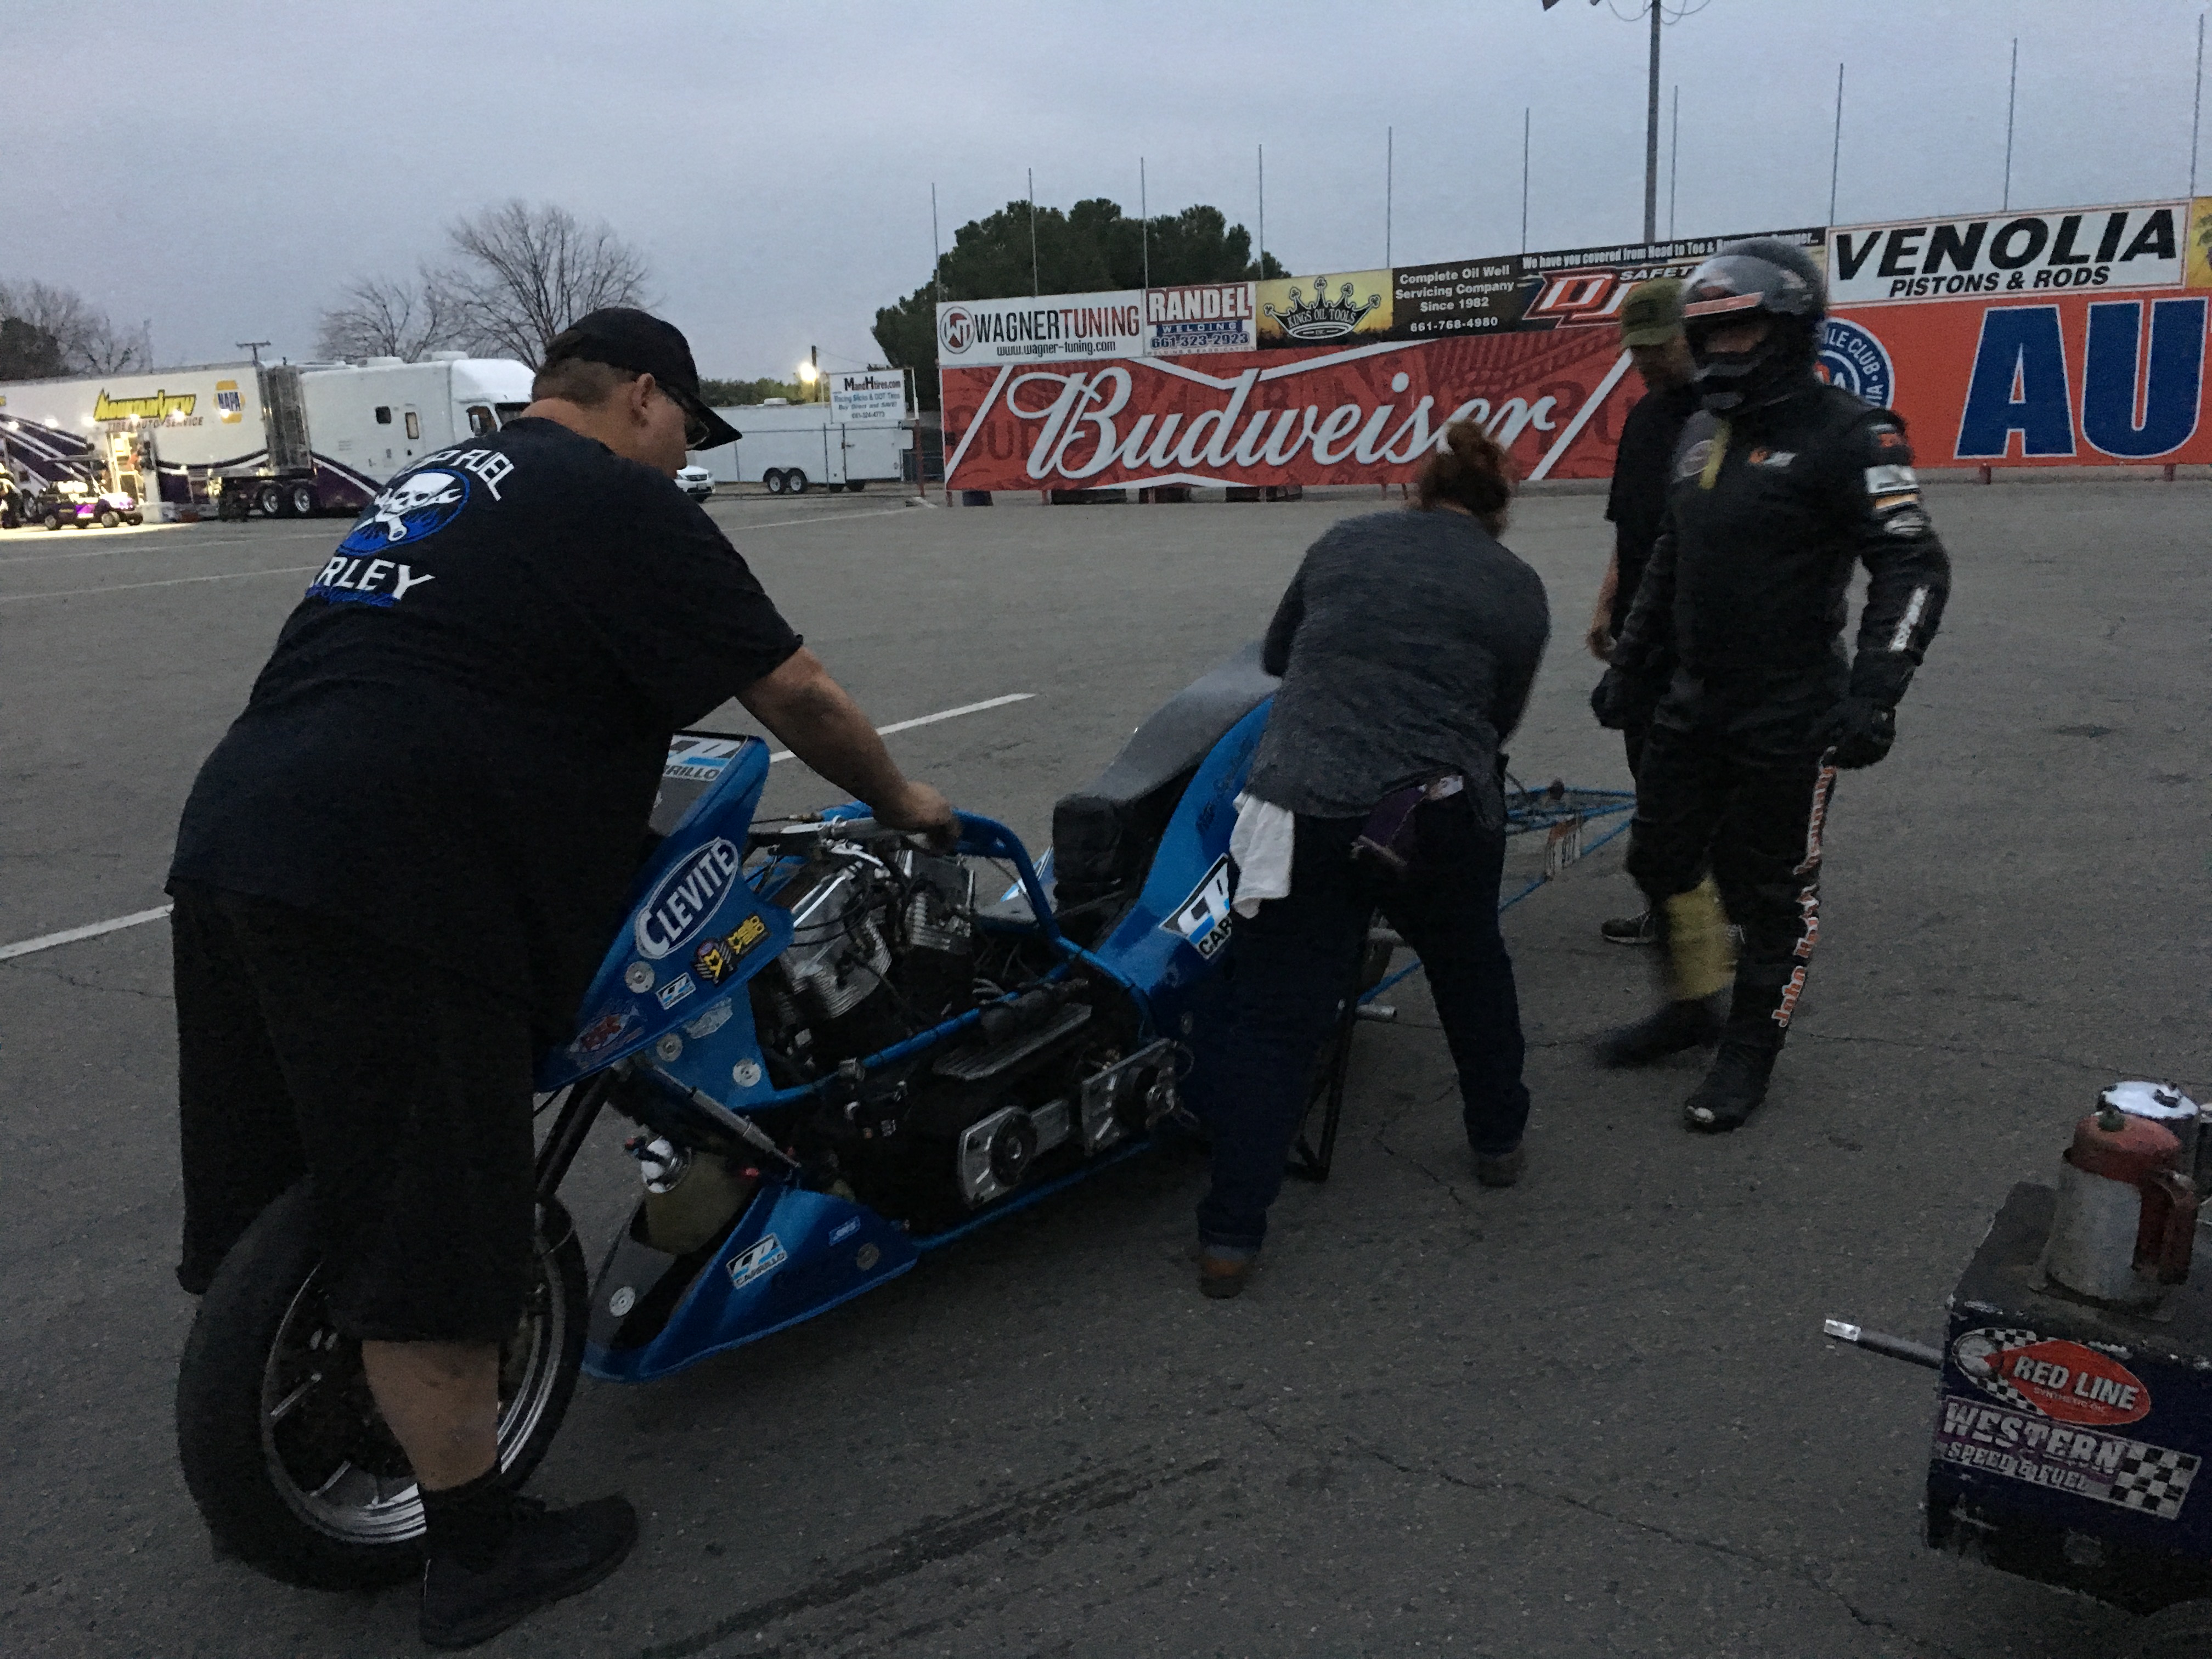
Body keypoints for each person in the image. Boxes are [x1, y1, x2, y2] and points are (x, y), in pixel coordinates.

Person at [166, 308, 955, 1647]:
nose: (683, 463)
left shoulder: (441, 484)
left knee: (315, 1170)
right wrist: (905, 796)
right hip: (398, 867)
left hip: (242, 834)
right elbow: (797, 693)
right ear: (643, 396)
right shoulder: (610, 498)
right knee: (442, 1218)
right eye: (684, 435)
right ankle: (476, 1554)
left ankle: (299, 1376)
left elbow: (459, 670)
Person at [1591, 239, 1950, 1133]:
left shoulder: (1853, 432)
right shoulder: (1700, 431)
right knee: (1659, 858)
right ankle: (1689, 1005)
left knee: (1772, 891)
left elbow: (1912, 565)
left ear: (1790, 329)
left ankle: (1746, 1051)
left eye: (1740, 327)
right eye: (1705, 332)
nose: (1720, 348)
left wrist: (1875, 690)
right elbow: (1673, 552)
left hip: (1792, 704)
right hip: (1690, 694)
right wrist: (1631, 667)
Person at [1192, 419, 1550, 1299]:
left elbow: (1278, 657)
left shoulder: (1343, 541)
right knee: (1470, 970)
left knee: (1276, 1019)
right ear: (1497, 514)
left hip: (1305, 803)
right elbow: (1500, 718)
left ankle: (1230, 1241)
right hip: (1433, 812)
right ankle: (1498, 1139)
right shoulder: (1517, 586)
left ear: (1416, 490)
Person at [1588, 277, 1705, 949]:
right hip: (1641, 626)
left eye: (1658, 347)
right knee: (1649, 777)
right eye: (1636, 350)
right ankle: (1674, 916)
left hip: (1695, 631)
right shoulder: (1644, 416)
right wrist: (1607, 604)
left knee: (1693, 783)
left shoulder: (1720, 413)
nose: (1646, 361)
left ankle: (1717, 922)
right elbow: (1630, 527)